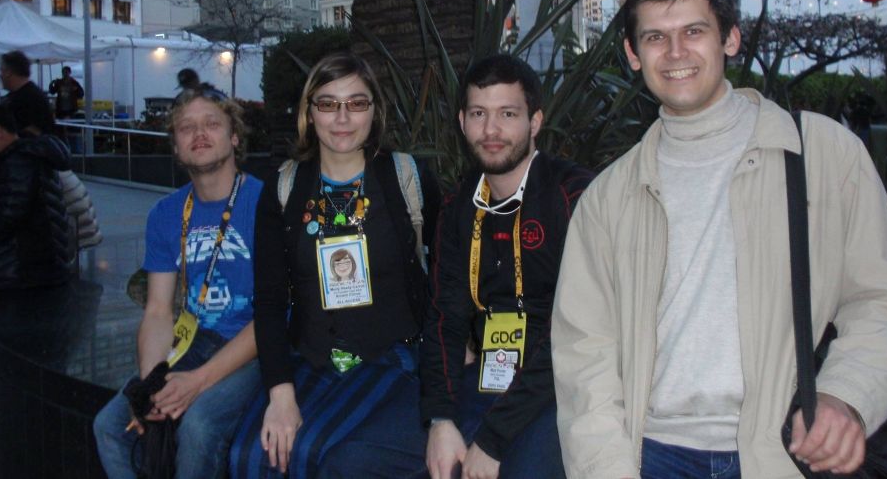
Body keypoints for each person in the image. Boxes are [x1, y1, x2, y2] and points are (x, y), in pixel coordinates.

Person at [551, 0, 887, 478]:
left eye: (694, 31)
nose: (676, 53)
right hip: (653, 455)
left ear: (729, 39)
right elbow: (585, 354)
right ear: (633, 54)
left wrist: (847, 394)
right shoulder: (608, 198)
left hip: (784, 451)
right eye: (656, 37)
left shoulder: (819, 153)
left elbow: (884, 300)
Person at [229, 50, 440, 478]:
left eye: (356, 103)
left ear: (374, 111)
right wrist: (280, 394)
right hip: (311, 359)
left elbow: (446, 276)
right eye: (328, 104)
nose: (342, 117)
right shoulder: (284, 188)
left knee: (314, 455)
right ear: (310, 113)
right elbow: (269, 302)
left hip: (390, 357)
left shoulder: (407, 178)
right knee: (250, 456)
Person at [420, 55, 594, 479]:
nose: (491, 131)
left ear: (535, 121)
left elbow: (578, 334)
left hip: (566, 385)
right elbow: (446, 316)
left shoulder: (574, 197)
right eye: (479, 114)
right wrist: (439, 420)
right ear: (462, 122)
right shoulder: (459, 205)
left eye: (507, 114)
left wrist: (493, 439)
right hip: (490, 374)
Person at [93, 88, 263, 479]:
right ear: (175, 147)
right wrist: (151, 384)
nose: (198, 134)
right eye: (186, 128)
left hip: (254, 346)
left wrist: (198, 382)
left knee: (199, 425)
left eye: (211, 124)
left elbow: (280, 314)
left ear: (234, 136)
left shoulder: (265, 203)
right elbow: (157, 310)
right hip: (193, 341)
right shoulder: (166, 213)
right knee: (108, 426)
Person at [0, 104, 74, 294]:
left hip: (20, 271)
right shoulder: (29, 155)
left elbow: (5, 219)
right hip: (38, 268)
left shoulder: (18, 162)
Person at [0, 50, 54, 135]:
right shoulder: (14, 97)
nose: (0, 76)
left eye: (1, 71)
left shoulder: (32, 99)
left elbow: (36, 132)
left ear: (8, 72)